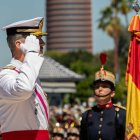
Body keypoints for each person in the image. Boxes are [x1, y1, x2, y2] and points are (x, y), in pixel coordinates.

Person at [0, 17, 49, 140]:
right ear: (19, 45)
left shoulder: (31, 76)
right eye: (36, 39)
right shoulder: (5, 75)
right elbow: (24, 89)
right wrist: (31, 52)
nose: (42, 43)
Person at [80, 53, 126, 140]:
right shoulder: (87, 114)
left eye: (104, 86)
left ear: (112, 93)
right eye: (97, 87)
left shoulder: (122, 114)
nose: (100, 89)